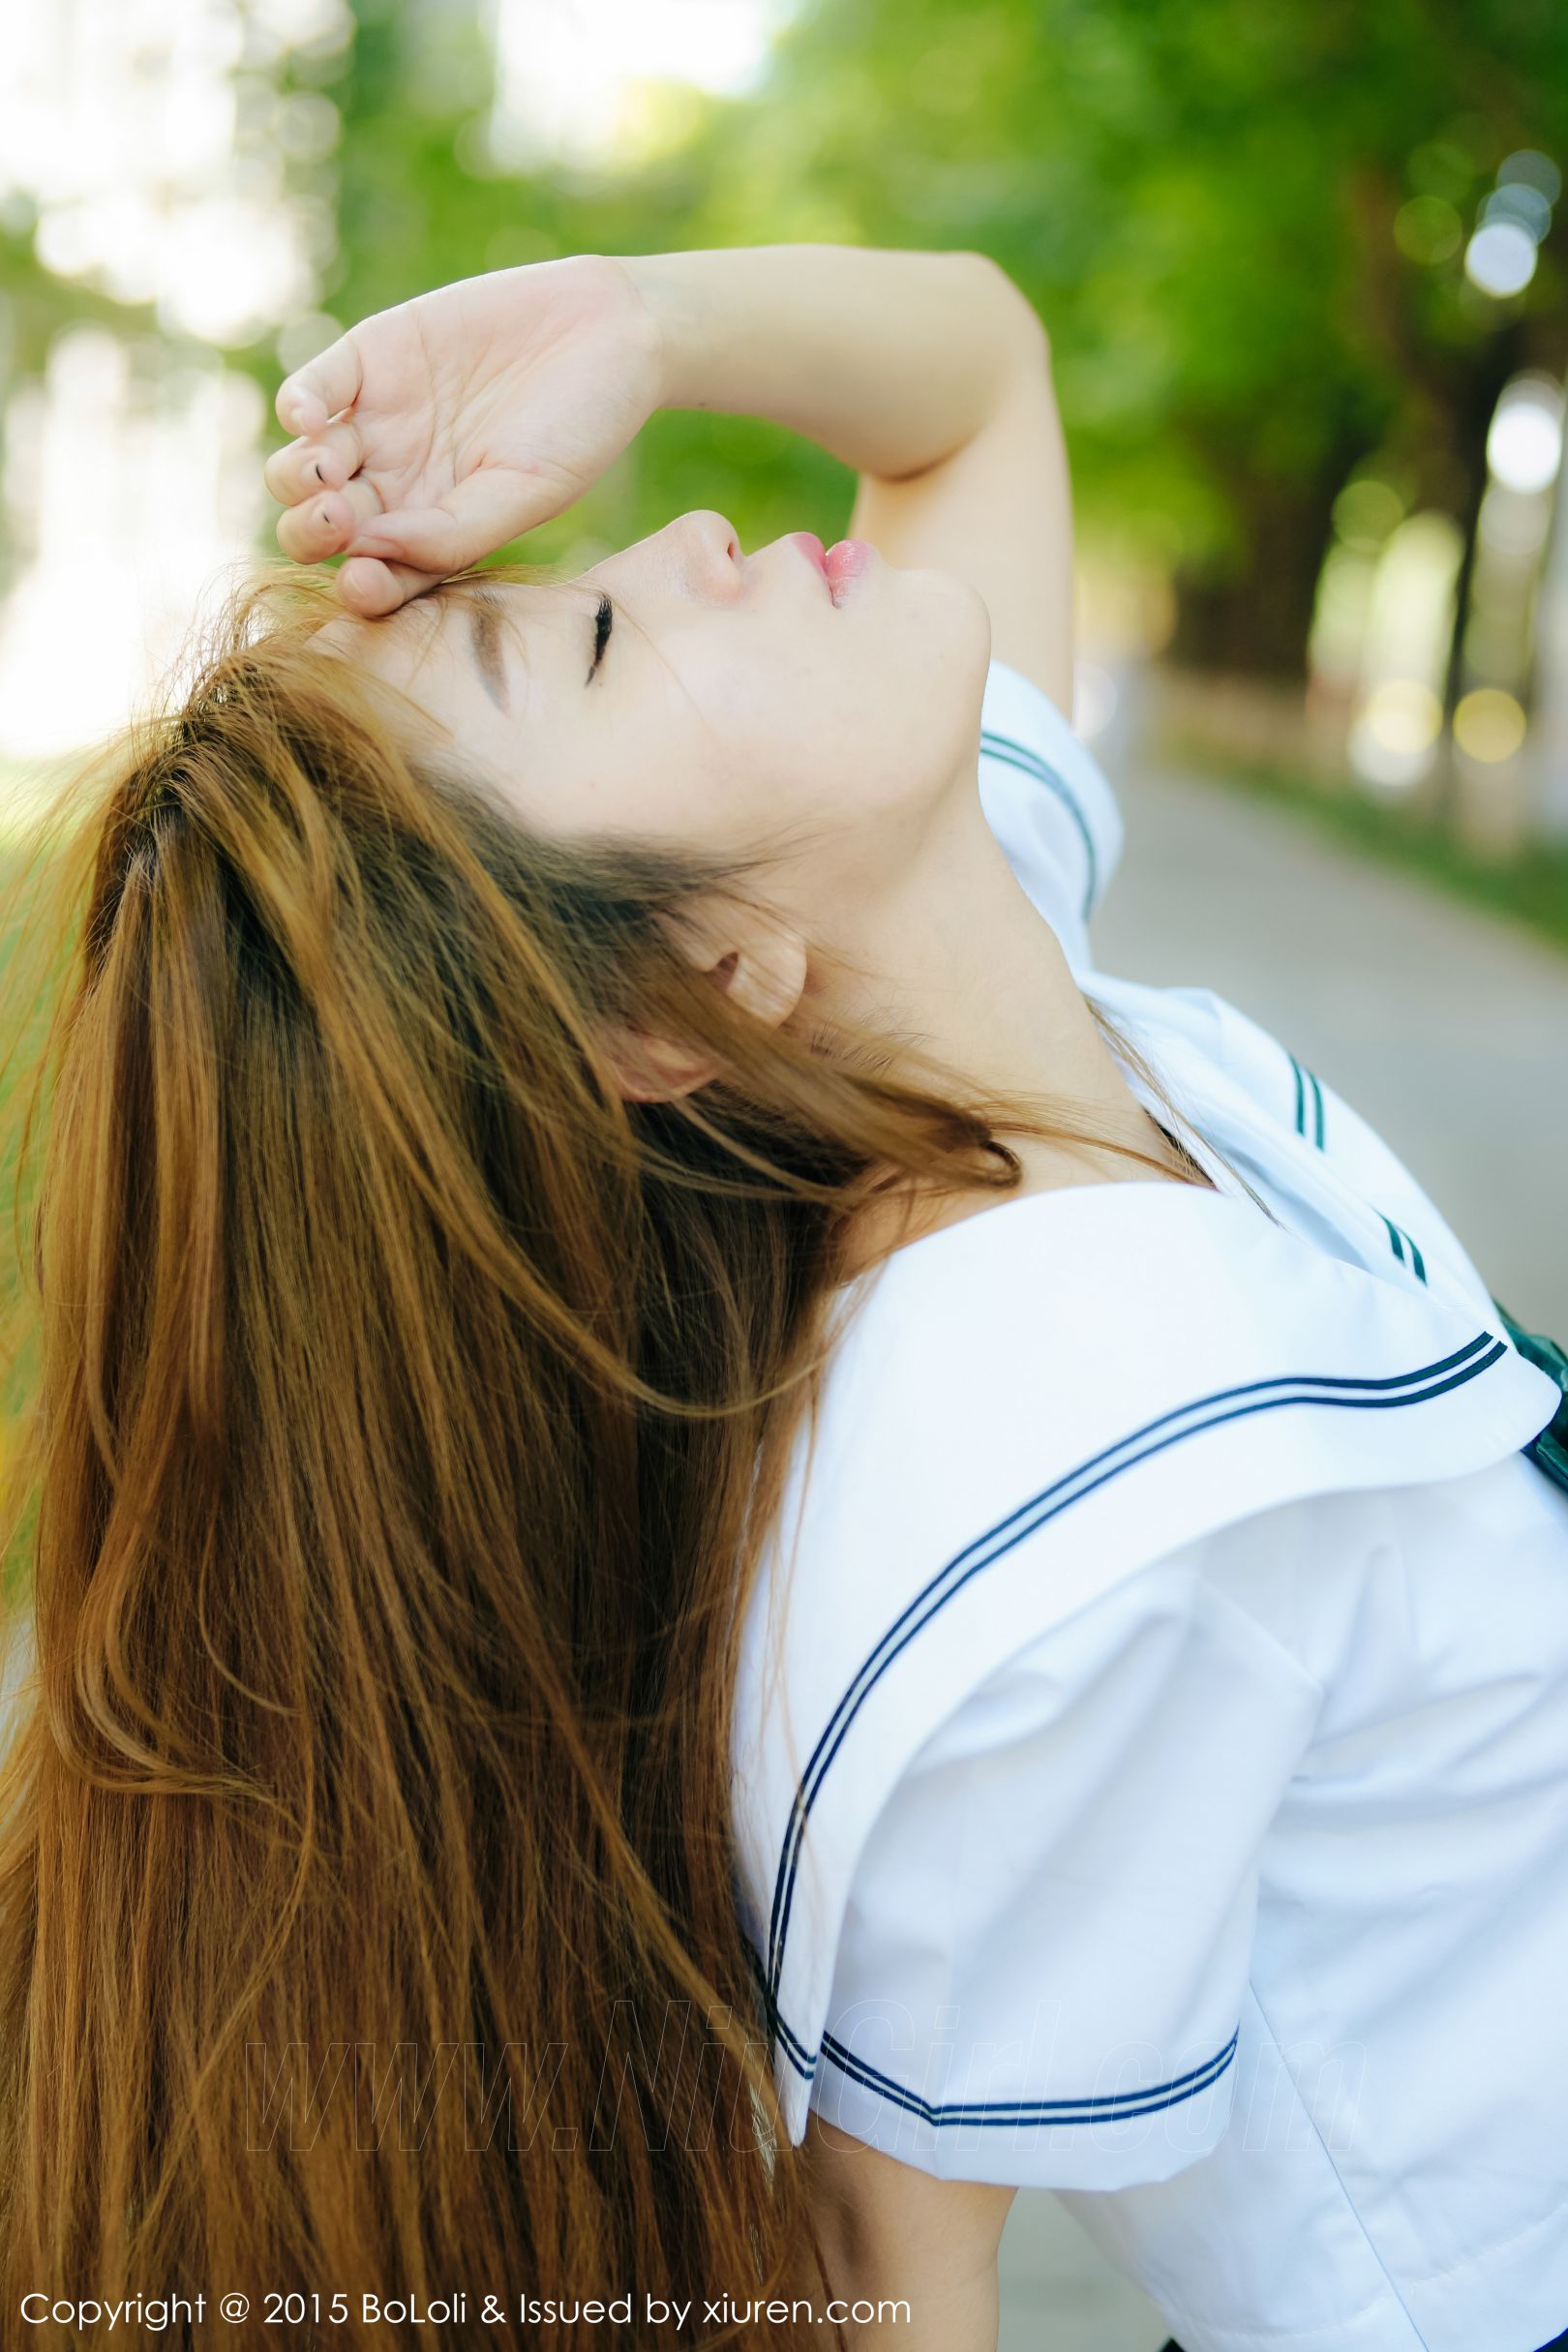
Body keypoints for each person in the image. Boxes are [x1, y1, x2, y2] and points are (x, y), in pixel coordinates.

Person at [0, 244, 1563, 2352]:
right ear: (684, 997)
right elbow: (882, 2273)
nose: (689, 540)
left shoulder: (932, 997)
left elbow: (973, 381)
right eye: (597, 641)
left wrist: (635, 325)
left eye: (583, 575)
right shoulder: (1062, 1489)